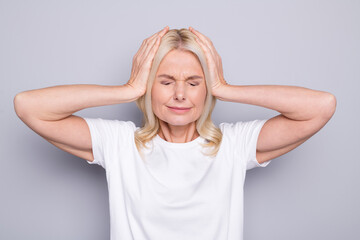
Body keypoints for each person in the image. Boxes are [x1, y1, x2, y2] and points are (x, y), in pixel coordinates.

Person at [13, 26, 336, 240]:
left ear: (206, 90)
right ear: (148, 89)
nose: (180, 94)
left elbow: (321, 105)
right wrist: (128, 89)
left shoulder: (234, 145)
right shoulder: (119, 144)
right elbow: (29, 105)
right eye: (166, 82)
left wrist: (226, 87)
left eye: (194, 83)